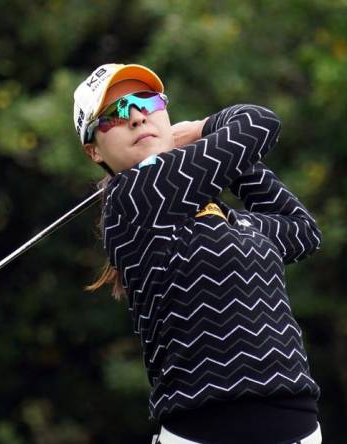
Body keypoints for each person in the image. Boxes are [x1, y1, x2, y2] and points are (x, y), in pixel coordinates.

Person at [73, 63, 323, 444]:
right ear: (94, 151)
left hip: (298, 428)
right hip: (205, 433)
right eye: (113, 115)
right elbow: (259, 123)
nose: (137, 116)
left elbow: (302, 231)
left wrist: (233, 167)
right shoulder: (133, 199)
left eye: (147, 101)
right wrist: (202, 129)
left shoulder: (227, 221)